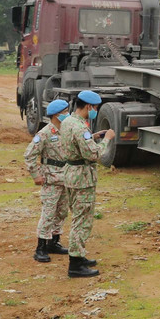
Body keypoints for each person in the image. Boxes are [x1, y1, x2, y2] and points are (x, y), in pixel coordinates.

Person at [60, 90, 115, 277]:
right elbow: (94, 155)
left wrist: (95, 137)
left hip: (71, 174)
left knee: (77, 216)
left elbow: (77, 144)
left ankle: (79, 256)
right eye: (95, 108)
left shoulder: (68, 121)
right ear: (89, 106)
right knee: (81, 221)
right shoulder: (80, 128)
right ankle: (75, 265)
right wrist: (106, 140)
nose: (95, 111)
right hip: (82, 178)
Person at [23, 99, 72, 263]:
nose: (68, 114)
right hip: (50, 179)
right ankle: (41, 247)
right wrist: (35, 175)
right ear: (57, 115)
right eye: (65, 112)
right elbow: (29, 155)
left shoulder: (66, 130)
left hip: (65, 178)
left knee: (62, 211)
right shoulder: (44, 133)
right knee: (48, 213)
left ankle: (54, 242)